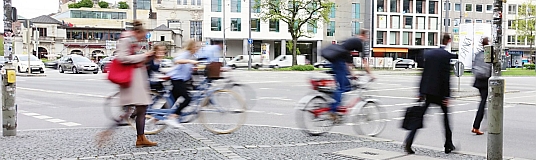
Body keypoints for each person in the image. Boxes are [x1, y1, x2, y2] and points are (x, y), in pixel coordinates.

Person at [97, 20, 157, 148]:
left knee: (140, 108)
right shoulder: (127, 40)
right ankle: (107, 133)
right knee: (132, 110)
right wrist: (143, 56)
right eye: (143, 35)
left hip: (136, 79)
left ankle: (140, 138)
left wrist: (145, 57)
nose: (143, 38)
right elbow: (122, 58)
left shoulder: (132, 40)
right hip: (131, 81)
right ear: (138, 32)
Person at [405, 33, 456, 154]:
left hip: (427, 92)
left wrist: (420, 92)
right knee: (445, 120)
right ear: (449, 41)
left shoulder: (429, 54)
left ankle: (409, 140)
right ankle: (448, 144)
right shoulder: (446, 56)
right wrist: (447, 96)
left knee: (419, 118)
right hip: (440, 94)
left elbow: (423, 74)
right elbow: (446, 77)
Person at [163, 40, 202, 127]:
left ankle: (153, 119)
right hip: (176, 79)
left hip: (181, 80)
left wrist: (193, 67)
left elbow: (185, 67)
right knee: (187, 99)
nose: (198, 48)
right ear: (191, 47)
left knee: (171, 101)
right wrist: (191, 62)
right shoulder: (186, 53)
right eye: (196, 47)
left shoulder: (192, 55)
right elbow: (177, 60)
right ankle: (173, 116)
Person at [471, 37, 491, 135]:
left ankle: (483, 123)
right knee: (483, 103)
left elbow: (473, 65)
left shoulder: (478, 54)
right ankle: (476, 126)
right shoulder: (489, 54)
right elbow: (491, 67)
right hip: (485, 81)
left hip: (478, 81)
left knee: (483, 102)